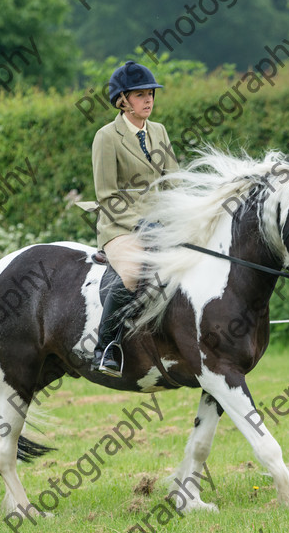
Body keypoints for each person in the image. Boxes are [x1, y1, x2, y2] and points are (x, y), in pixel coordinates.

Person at [90, 60, 178, 376]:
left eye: (151, 94)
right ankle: (106, 348)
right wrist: (140, 223)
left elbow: (174, 180)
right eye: (141, 95)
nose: (149, 100)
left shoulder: (159, 131)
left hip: (160, 222)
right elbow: (106, 194)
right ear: (123, 100)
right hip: (120, 225)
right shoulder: (106, 137)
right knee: (132, 271)